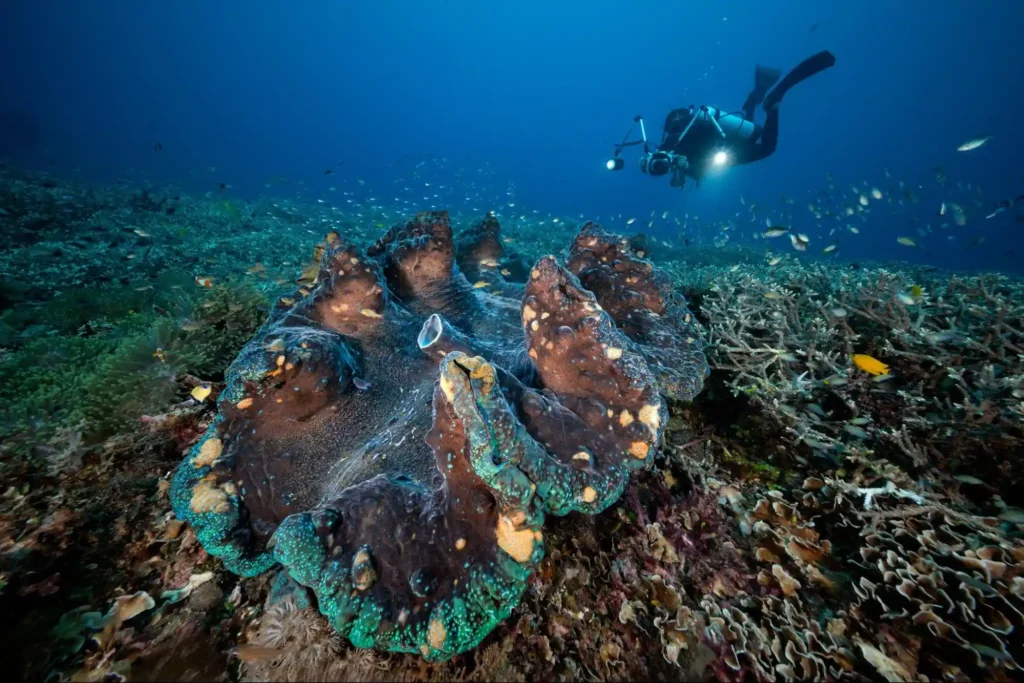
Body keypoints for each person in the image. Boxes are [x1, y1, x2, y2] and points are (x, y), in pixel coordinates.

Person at [639, 51, 836, 188]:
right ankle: (753, 100)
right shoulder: (673, 153)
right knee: (752, 134)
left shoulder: (673, 141)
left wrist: (685, 163)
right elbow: (700, 172)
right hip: (722, 148)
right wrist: (684, 170)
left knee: (765, 146)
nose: (662, 166)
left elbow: (695, 158)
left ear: (653, 156)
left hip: (721, 147)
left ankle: (772, 104)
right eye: (660, 170)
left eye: (657, 164)